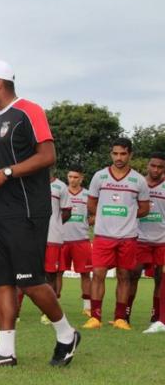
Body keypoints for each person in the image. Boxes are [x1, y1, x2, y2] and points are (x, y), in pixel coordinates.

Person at [0, 61, 79, 366]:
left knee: (29, 280)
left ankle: (67, 335)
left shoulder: (30, 110)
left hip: (27, 210)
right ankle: (5, 351)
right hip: (1, 212)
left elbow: (47, 155)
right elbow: (2, 164)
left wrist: (5, 172)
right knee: (1, 280)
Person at [82, 138, 150, 330]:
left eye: (123, 153)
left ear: (130, 155)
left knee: (124, 276)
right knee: (98, 274)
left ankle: (120, 318)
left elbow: (144, 208)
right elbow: (91, 204)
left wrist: (126, 216)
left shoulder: (138, 180)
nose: (119, 157)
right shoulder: (100, 177)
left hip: (128, 237)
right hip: (103, 235)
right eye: (115, 153)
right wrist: (106, 217)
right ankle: (95, 317)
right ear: (111, 154)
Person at [135, 153, 165, 333]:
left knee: (160, 280)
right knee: (132, 276)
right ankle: (124, 317)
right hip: (139, 239)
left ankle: (157, 317)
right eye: (153, 166)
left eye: (160, 167)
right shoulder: (138, 183)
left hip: (162, 241)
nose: (156, 170)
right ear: (148, 165)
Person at [61, 165, 93, 317]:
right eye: (70, 177)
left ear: (81, 178)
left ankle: (87, 307)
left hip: (81, 240)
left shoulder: (87, 195)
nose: (72, 180)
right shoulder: (61, 192)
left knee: (86, 274)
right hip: (61, 240)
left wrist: (89, 221)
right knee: (56, 274)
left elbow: (94, 214)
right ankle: (54, 306)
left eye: (76, 177)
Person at [41, 174, 72, 325]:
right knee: (24, 272)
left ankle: (48, 312)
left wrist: (55, 223)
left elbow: (67, 212)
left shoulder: (61, 186)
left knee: (50, 275)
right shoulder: (30, 182)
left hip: (53, 237)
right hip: (33, 236)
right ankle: (17, 311)